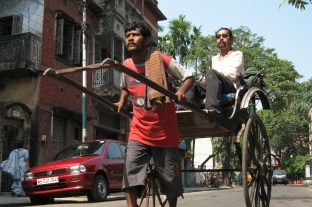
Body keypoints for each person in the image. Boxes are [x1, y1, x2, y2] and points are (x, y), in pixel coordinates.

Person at [114, 21, 194, 207]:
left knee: (170, 181)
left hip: (164, 133)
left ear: (147, 39)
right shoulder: (126, 65)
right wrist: (121, 100)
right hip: (139, 131)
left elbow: (188, 76)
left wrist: (181, 91)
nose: (130, 38)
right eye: (128, 36)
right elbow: (125, 87)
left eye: (135, 35)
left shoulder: (161, 60)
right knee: (130, 172)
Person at [179, 27, 245, 116]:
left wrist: (214, 74)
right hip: (212, 86)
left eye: (224, 36)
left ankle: (212, 110)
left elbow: (233, 73)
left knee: (211, 73)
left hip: (229, 86)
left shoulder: (237, 54)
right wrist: (207, 78)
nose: (221, 38)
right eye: (218, 37)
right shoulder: (213, 59)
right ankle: (182, 111)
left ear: (231, 40)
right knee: (192, 82)